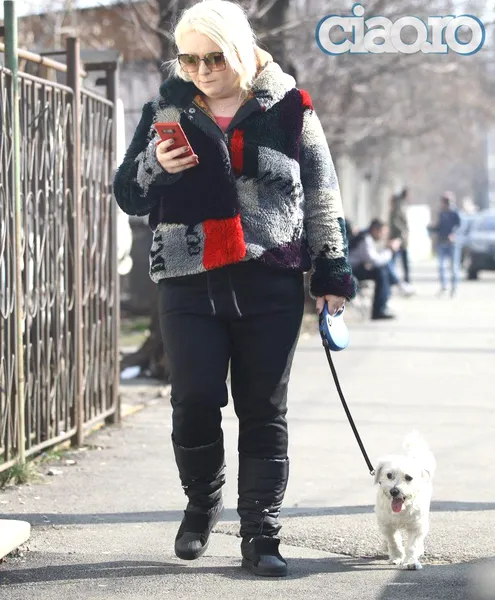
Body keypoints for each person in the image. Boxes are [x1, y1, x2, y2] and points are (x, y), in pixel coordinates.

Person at [113, 0, 356, 578]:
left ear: (242, 50)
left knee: (263, 408)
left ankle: (261, 532)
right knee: (194, 397)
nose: (201, 69)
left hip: (267, 278)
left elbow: (322, 194)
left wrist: (331, 274)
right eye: (189, 59)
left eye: (215, 57)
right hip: (187, 277)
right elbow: (127, 194)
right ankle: (201, 503)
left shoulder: (289, 107)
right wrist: (156, 165)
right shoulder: (164, 110)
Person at [349, 218, 402, 320]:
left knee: (382, 270)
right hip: (350, 271)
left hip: (355, 268)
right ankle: (379, 310)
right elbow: (374, 260)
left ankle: (382, 306)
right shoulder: (365, 238)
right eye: (382, 233)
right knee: (381, 272)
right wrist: (389, 250)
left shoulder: (366, 237)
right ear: (375, 230)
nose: (382, 236)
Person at [427, 191, 462, 296]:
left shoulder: (455, 213)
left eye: (447, 201)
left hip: (452, 243)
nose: (446, 203)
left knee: (454, 267)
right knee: (441, 266)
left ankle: (454, 288)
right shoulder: (441, 213)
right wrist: (432, 228)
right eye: (444, 201)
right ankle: (444, 287)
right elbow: (440, 227)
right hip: (441, 242)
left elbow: (460, 226)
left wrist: (454, 234)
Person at [389, 187, 414, 294]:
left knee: (401, 261)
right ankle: (396, 281)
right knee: (395, 261)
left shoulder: (401, 204)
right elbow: (396, 221)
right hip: (398, 238)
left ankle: (405, 282)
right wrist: (402, 232)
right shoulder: (399, 205)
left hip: (401, 238)